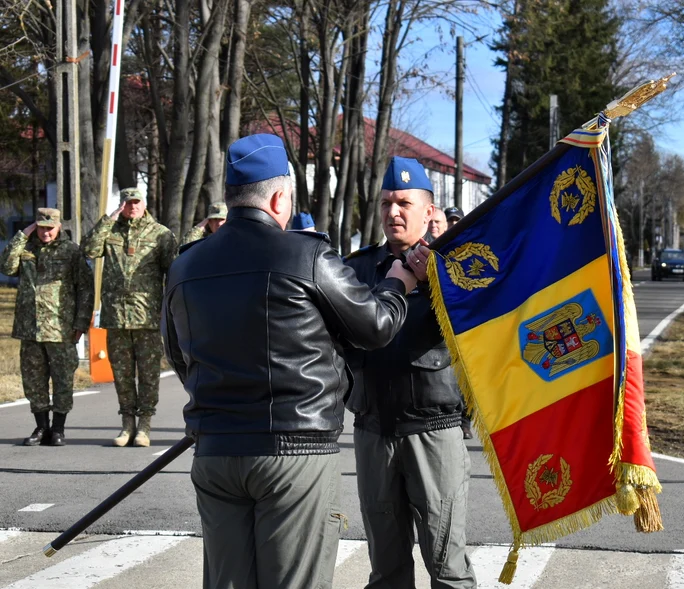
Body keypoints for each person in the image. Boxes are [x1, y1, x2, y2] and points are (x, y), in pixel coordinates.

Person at [161, 133, 421, 589]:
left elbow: (178, 355)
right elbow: (376, 326)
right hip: (294, 450)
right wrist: (399, 282)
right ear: (280, 197)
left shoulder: (186, 266)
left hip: (216, 448)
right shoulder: (307, 255)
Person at [344, 156, 476, 588]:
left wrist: (440, 272)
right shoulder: (357, 269)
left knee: (448, 568)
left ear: (429, 210)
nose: (393, 212)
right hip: (373, 430)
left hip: (434, 432)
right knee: (386, 569)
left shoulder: (457, 266)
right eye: (385, 204)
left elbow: (478, 328)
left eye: (403, 202)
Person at [82, 187, 177, 447]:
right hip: (116, 317)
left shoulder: (160, 234)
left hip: (147, 316)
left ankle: (144, 426)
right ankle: (127, 425)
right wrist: (108, 219)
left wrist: (169, 309)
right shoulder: (110, 231)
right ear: (121, 204)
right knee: (122, 374)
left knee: (148, 375)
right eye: (127, 202)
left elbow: (174, 272)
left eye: (136, 202)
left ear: (144, 203)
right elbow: (89, 250)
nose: (132, 206)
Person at [0, 208, 94, 446]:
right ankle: (41, 427)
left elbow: (84, 287)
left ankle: (58, 428)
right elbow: (6, 267)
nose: (45, 233)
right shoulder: (26, 249)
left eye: (50, 228)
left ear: (59, 227)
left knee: (62, 379)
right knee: (33, 379)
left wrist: (81, 321)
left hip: (60, 327)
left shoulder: (71, 251)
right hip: (30, 327)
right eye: (41, 227)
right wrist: (24, 234)